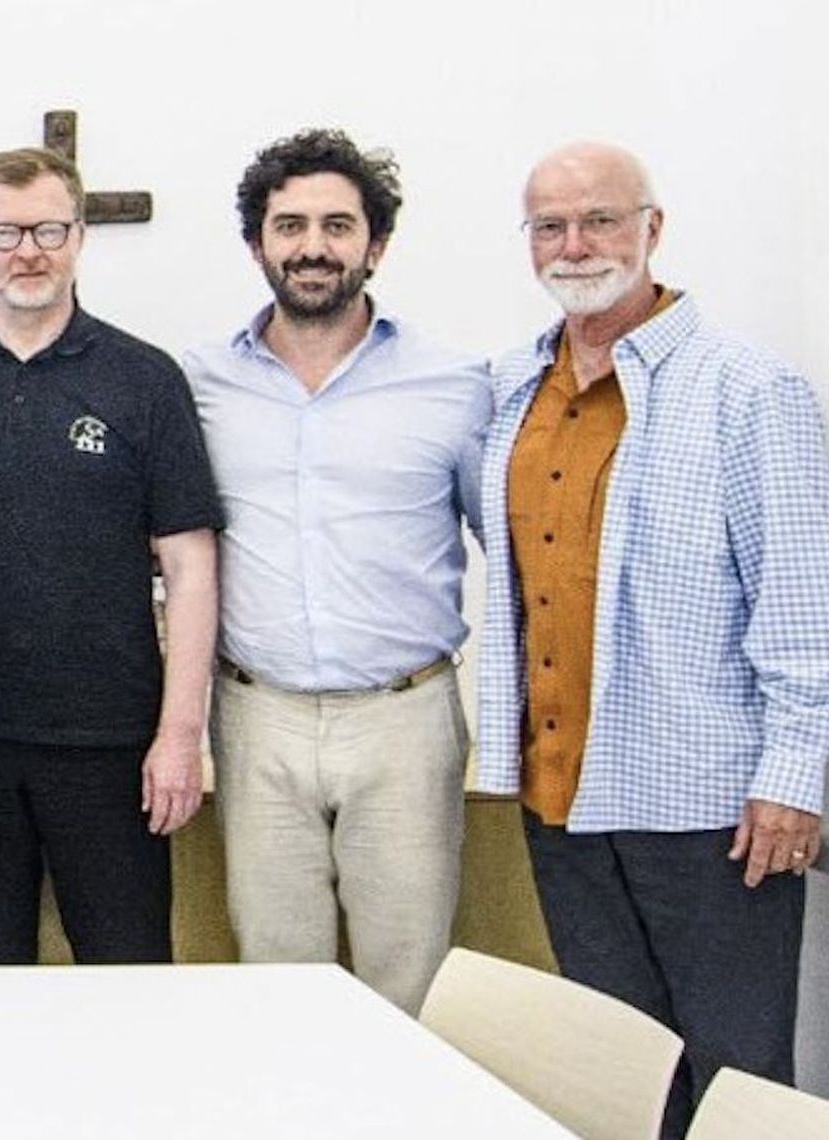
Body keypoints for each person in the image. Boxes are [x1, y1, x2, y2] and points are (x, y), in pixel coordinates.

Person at [477, 141, 829, 1137]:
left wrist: (793, 777)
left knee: (738, 1076)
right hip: (563, 795)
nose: (574, 244)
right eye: (549, 225)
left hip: (710, 807)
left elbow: (803, 602)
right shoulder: (513, 390)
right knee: (615, 1074)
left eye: (598, 220)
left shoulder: (747, 390)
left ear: (651, 229)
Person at [183, 129, 490, 1013]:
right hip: (256, 715)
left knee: (412, 984)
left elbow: (506, 545)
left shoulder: (454, 384)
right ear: (257, 245)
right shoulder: (199, 385)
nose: (312, 246)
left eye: (336, 225)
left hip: (404, 719)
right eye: (289, 226)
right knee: (280, 986)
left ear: (375, 245)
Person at [0, 147, 222, 964]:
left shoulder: (145, 381)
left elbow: (190, 568)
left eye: (46, 229)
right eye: (5, 231)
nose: (27, 251)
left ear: (78, 237)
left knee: (125, 969)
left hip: (110, 740)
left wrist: (181, 733)